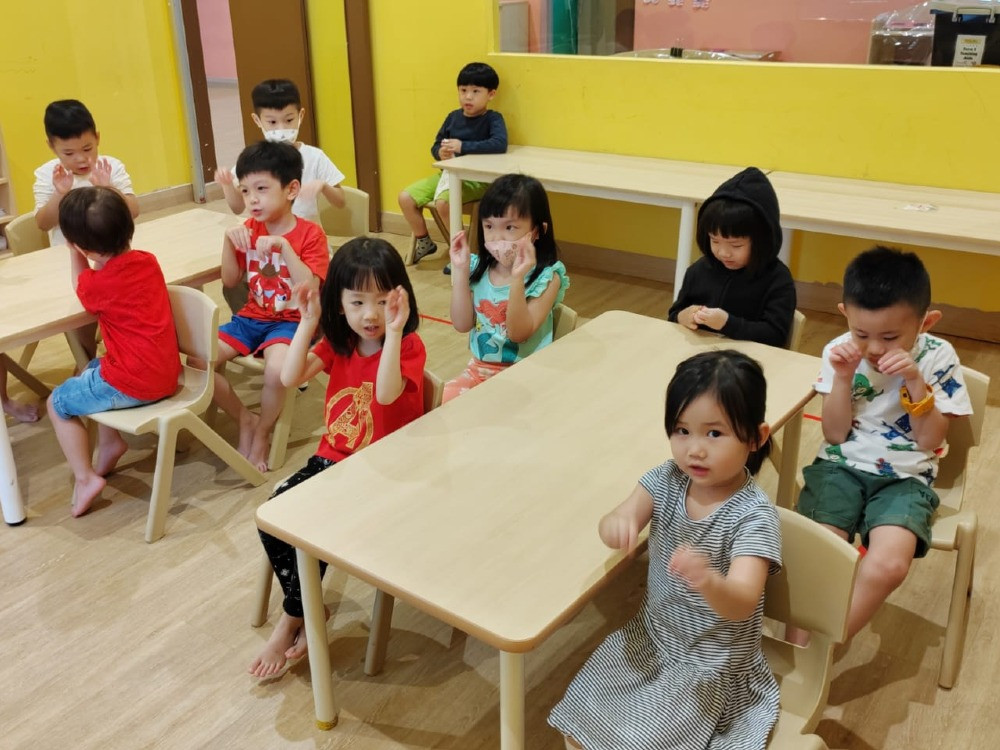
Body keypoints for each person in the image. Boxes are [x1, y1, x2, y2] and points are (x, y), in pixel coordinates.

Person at [549, 350, 781, 750]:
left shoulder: (752, 516)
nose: (694, 449)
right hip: (652, 637)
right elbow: (618, 517)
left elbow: (742, 602)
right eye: (681, 430)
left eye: (714, 433)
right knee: (580, 715)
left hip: (710, 665)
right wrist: (616, 524)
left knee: (635, 741)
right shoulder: (667, 478)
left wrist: (708, 581)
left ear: (756, 438)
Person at [248, 237, 426, 678]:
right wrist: (308, 321)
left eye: (383, 301)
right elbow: (289, 377)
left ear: (401, 298)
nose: (371, 314)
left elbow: (386, 394)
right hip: (333, 462)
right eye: (357, 301)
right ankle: (305, 611)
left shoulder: (406, 346)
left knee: (312, 526)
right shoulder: (340, 343)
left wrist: (395, 332)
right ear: (340, 304)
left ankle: (293, 618)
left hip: (381, 473)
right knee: (272, 517)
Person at [795, 246, 972, 642]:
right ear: (845, 313)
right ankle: (799, 648)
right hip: (839, 467)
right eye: (862, 334)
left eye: (890, 337)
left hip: (906, 478)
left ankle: (821, 649)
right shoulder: (839, 351)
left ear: (926, 322)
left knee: (889, 564)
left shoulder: (938, 356)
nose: (874, 348)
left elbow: (929, 440)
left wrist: (914, 380)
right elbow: (834, 434)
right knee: (817, 552)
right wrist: (843, 378)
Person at [46, 187, 180, 519]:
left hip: (135, 383)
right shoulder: (148, 261)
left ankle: (85, 477)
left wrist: (75, 253)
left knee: (56, 403)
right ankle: (110, 444)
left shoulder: (99, 285)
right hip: (167, 372)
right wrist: (81, 247)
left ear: (82, 246)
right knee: (93, 366)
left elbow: (82, 287)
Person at [212, 141, 329, 472]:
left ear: (291, 189)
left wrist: (283, 247)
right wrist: (228, 242)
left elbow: (309, 289)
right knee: (198, 359)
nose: (252, 199)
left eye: (261, 189)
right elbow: (230, 281)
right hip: (251, 317)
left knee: (277, 371)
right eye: (245, 190)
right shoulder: (248, 229)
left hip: (292, 321)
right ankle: (244, 419)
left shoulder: (310, 234)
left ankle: (263, 431)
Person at [214, 78, 347, 314]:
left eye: (288, 120)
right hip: (265, 252)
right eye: (272, 122)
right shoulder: (256, 161)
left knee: (302, 295)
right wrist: (227, 185)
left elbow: (341, 201)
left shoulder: (314, 157)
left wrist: (323, 186)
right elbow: (237, 207)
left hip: (306, 249)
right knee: (238, 287)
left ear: (300, 115)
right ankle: (261, 321)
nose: (281, 128)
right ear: (257, 120)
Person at [444, 173, 569, 402]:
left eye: (510, 227)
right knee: (443, 405)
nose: (496, 237)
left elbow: (518, 333)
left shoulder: (548, 277)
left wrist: (517, 278)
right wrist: (461, 271)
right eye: (489, 226)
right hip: (480, 371)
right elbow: (462, 324)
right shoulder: (478, 268)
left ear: (537, 231)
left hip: (528, 375)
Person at [668, 167, 795, 348]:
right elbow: (675, 313)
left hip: (749, 359)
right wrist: (682, 316)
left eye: (736, 245)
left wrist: (728, 323)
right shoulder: (699, 270)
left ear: (762, 241)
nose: (723, 253)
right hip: (701, 354)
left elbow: (775, 335)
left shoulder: (777, 279)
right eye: (715, 241)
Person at [399, 61, 507, 265]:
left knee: (443, 203)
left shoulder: (493, 119)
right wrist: (440, 153)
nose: (468, 96)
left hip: (475, 181)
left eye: (476, 91)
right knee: (406, 198)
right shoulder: (453, 117)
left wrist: (462, 146)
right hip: (446, 176)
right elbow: (436, 145)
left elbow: (499, 144)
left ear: (491, 94)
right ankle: (424, 241)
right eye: (463, 90)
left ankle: (462, 252)